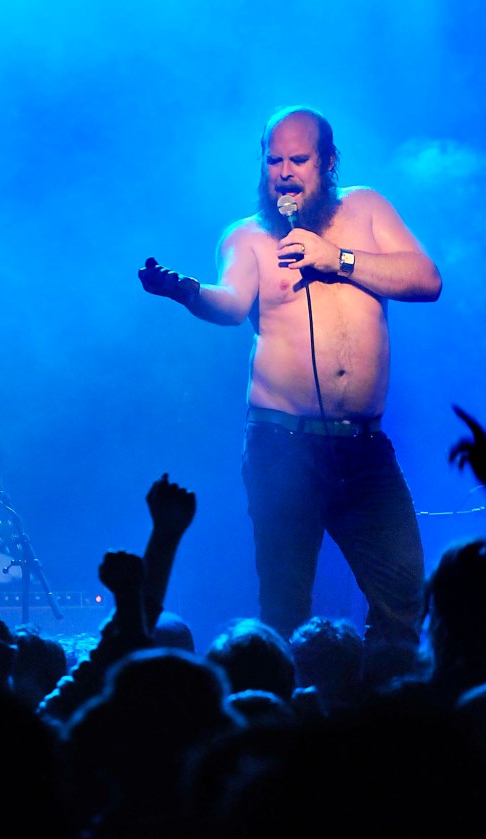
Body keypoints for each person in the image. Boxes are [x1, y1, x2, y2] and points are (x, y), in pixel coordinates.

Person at [139, 105, 442, 647]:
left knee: (404, 598)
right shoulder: (248, 236)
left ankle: (382, 714)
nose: (284, 172)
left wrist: (337, 258)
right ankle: (285, 720)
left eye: (298, 159)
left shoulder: (367, 209)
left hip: (365, 450)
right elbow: (231, 304)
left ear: (328, 161)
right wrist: (187, 291)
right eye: (274, 160)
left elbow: (426, 279)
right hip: (283, 444)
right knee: (285, 609)